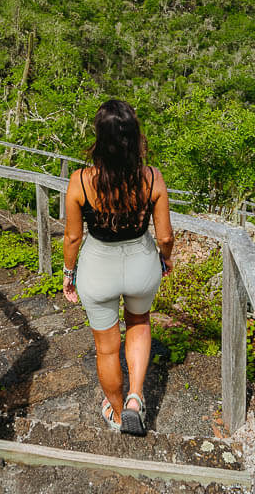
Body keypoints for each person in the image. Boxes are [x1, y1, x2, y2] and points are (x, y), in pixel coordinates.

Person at [61, 99, 175, 435]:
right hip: (141, 263)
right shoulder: (152, 178)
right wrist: (165, 260)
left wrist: (69, 274)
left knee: (106, 347)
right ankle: (136, 400)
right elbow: (165, 236)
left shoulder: (80, 182)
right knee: (139, 321)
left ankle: (114, 411)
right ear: (135, 137)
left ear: (100, 139)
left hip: (98, 269)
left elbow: (71, 238)